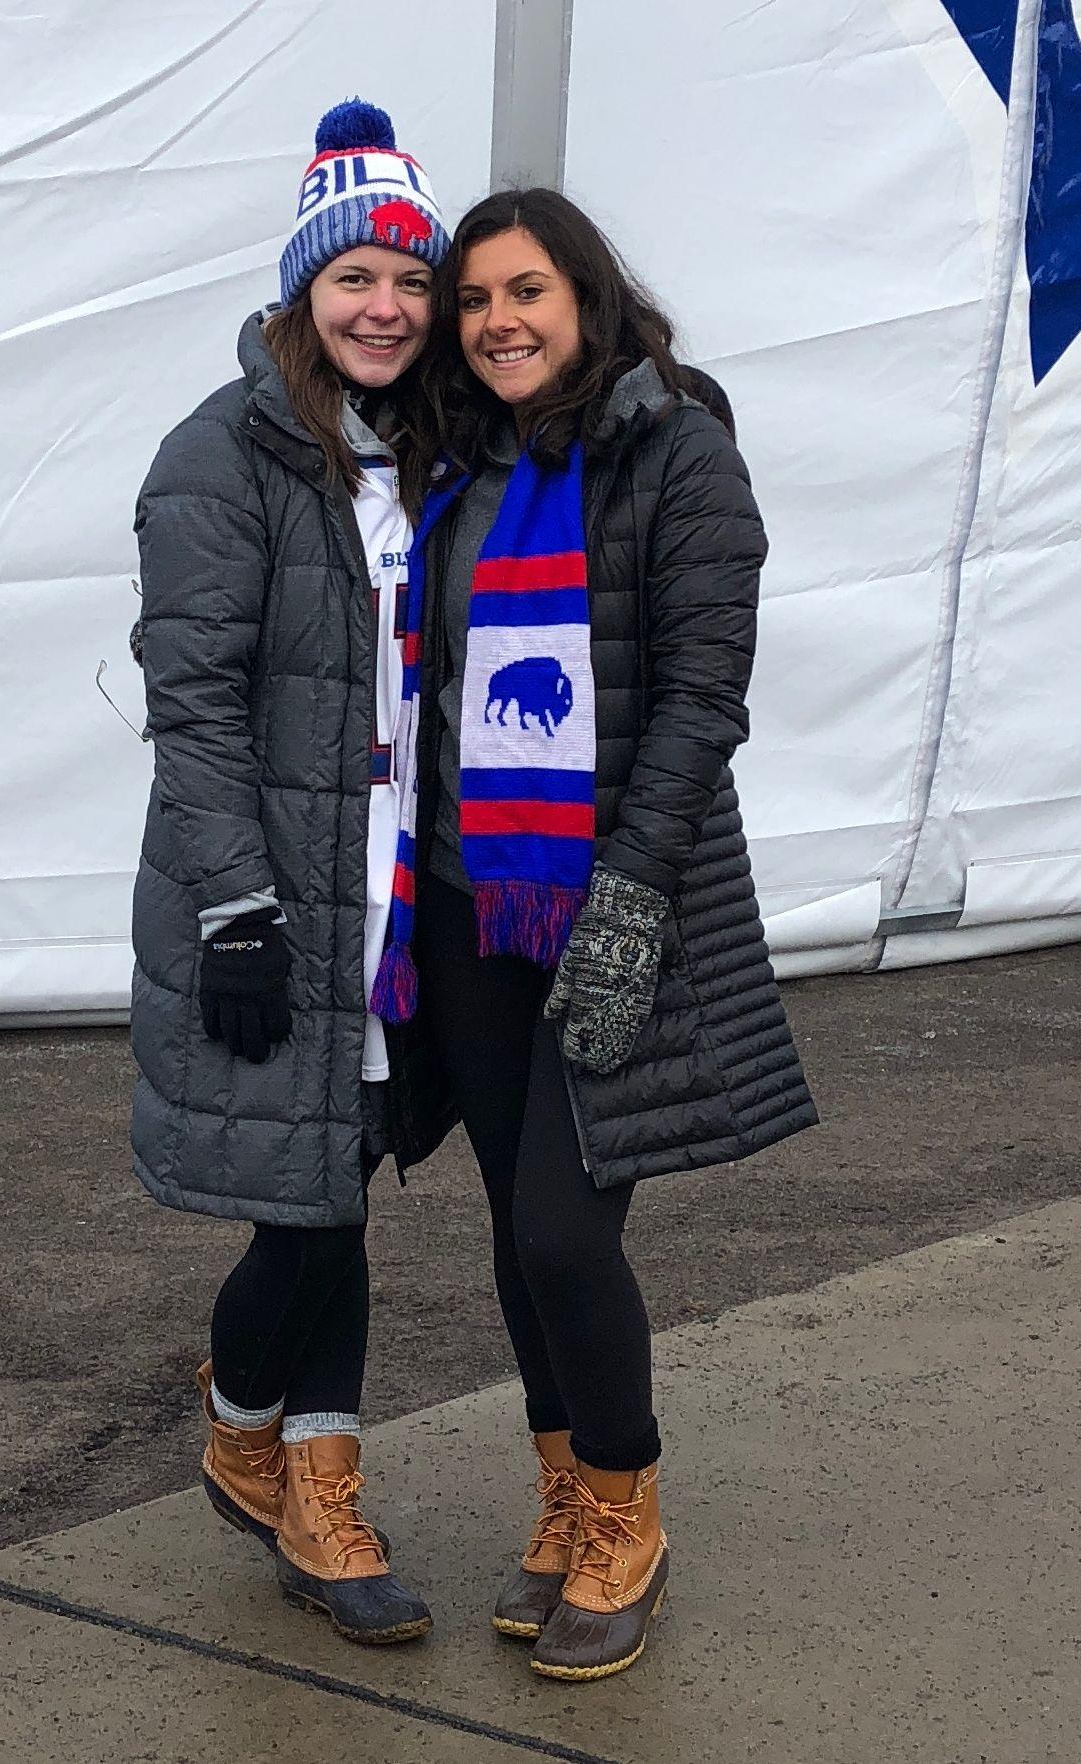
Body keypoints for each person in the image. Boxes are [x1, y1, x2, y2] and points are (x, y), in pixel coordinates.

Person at [366, 187, 817, 1681]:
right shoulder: (453, 461)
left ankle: (626, 1510)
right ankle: (562, 1497)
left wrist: (626, 900)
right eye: (474, 298)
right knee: (515, 1225)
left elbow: (702, 699)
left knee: (566, 1224)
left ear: (587, 297)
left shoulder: (677, 451)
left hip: (612, 899)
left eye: (527, 291)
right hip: (468, 901)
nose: (497, 321)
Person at [128, 99, 462, 1647]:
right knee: (309, 1214)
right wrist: (237, 907)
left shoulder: (440, 451)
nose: (384, 307)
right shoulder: (222, 457)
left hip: (402, 893)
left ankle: (302, 1467)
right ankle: (259, 1437)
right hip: (279, 894)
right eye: (354, 279)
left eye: (410, 280)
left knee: (342, 1186)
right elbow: (192, 706)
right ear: (300, 293)